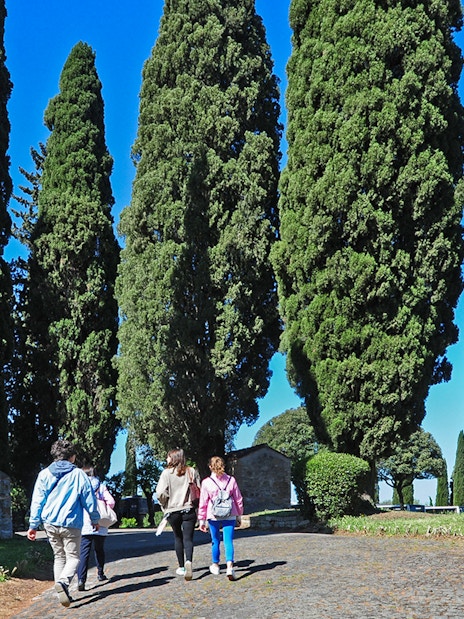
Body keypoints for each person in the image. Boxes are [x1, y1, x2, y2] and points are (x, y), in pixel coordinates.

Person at [27, 439, 100, 608]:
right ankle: (64, 583)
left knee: (59, 557)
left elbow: (37, 501)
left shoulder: (44, 474)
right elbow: (89, 500)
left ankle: (61, 592)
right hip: (71, 522)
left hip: (50, 523)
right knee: (74, 557)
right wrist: (95, 519)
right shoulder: (79, 475)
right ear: (72, 457)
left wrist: (33, 525)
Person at [155, 448, 201, 581]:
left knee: (177, 537)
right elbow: (198, 489)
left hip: (173, 510)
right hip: (189, 509)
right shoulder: (191, 471)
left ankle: (181, 567)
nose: (166, 459)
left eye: (168, 456)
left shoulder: (166, 473)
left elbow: (160, 493)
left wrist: (165, 504)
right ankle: (189, 562)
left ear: (174, 458)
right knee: (188, 538)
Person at [198, 456, 244, 581]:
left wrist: (201, 520)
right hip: (230, 514)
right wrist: (239, 515)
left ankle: (216, 565)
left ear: (210, 467)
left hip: (213, 515)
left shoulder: (206, 482)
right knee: (228, 540)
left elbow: (203, 502)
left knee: (215, 540)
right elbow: (238, 499)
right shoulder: (231, 480)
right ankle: (230, 566)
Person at [77, 466, 115, 590]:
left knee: (84, 552)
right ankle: (100, 573)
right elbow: (111, 502)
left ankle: (81, 579)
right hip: (101, 524)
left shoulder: (80, 486)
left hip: (85, 524)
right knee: (99, 549)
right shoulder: (101, 487)